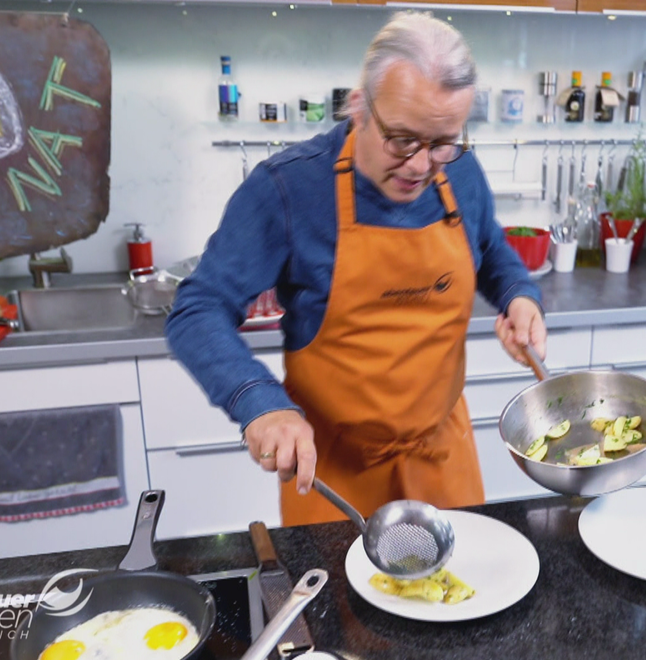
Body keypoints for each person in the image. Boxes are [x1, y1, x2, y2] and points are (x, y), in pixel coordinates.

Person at [166, 12, 548, 527]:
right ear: (358, 108)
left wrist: (519, 295)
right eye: (402, 140)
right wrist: (260, 403)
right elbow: (198, 309)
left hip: (443, 459)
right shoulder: (287, 189)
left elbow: (491, 247)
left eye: (441, 142)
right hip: (333, 479)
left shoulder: (458, 170)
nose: (421, 165)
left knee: (459, 599)